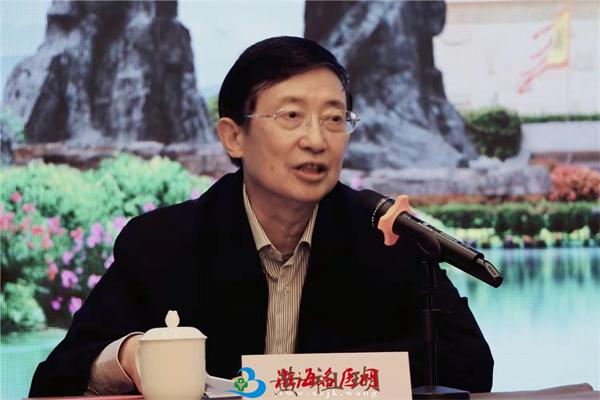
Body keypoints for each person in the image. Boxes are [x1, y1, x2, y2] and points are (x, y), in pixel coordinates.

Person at [29, 36, 493, 397]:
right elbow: (57, 379)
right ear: (233, 137)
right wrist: (131, 356)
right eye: (291, 116)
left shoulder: (385, 238)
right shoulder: (164, 243)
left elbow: (470, 367)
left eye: (335, 119)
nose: (317, 140)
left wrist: (327, 379)